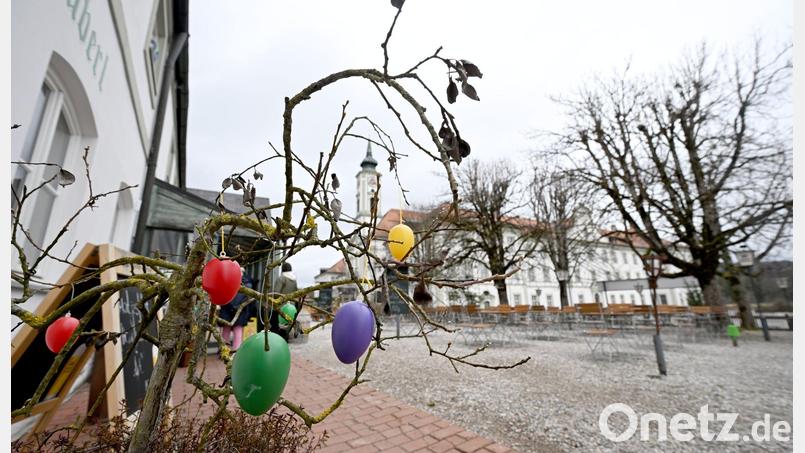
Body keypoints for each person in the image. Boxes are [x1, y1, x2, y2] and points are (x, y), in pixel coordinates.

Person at [218, 267, 254, 352]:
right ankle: (234, 351)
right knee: (234, 330)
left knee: (230, 330)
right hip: (239, 310)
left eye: (241, 271)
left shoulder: (227, 282)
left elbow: (223, 296)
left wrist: (231, 306)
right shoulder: (248, 285)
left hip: (229, 309)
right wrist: (237, 307)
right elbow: (248, 300)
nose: (240, 273)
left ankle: (225, 351)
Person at [269, 262, 299, 341]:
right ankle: (286, 339)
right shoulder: (294, 280)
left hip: (280, 306)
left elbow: (276, 293)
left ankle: (277, 340)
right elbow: (296, 293)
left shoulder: (281, 278)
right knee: (287, 323)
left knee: (276, 325)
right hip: (291, 306)